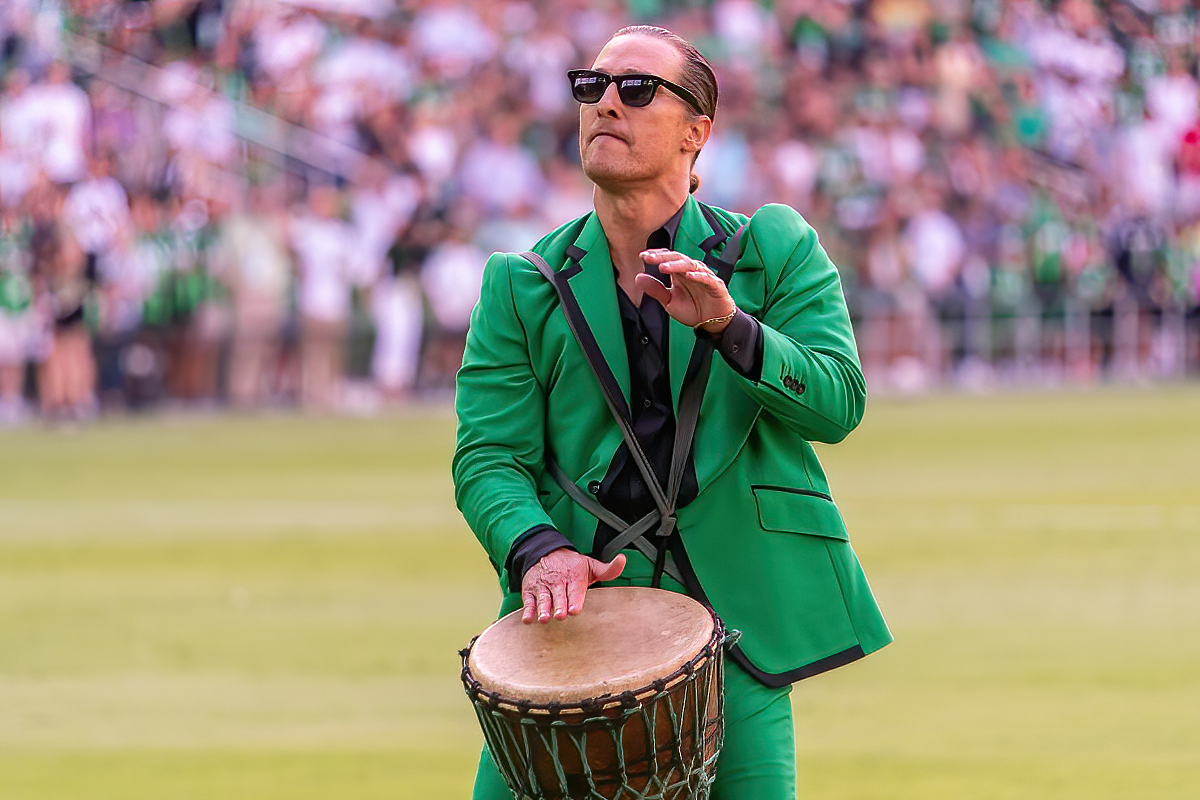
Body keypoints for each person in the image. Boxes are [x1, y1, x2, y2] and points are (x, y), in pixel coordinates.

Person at [453, 25, 892, 800]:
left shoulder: (773, 248)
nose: (605, 104)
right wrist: (537, 549)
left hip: (739, 634)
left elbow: (838, 403)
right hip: (568, 635)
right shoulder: (518, 284)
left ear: (698, 132)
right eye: (591, 86)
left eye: (635, 87)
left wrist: (732, 328)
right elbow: (488, 459)